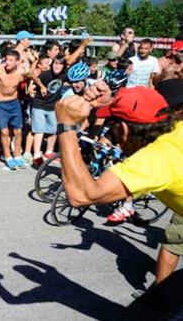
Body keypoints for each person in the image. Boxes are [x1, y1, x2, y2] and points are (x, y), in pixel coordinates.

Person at [55, 82, 183, 291]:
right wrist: (113, 102)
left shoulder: (156, 159)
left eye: (113, 127)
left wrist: (66, 126)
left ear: (123, 130)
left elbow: (81, 195)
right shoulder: (174, 124)